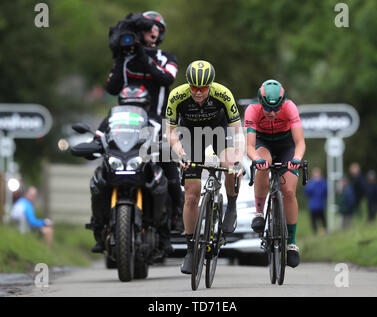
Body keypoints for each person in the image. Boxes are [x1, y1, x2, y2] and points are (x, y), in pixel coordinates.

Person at [89, 11, 182, 255]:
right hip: (126, 121)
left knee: (169, 167)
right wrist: (122, 59)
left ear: (160, 32)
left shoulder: (166, 57)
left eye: (154, 28)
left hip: (158, 120)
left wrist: (142, 56)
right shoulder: (126, 58)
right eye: (144, 28)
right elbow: (111, 87)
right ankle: (100, 225)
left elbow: (165, 79)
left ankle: (172, 224)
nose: (149, 32)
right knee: (106, 164)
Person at [165, 60, 244, 274]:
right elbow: (170, 132)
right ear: (188, 84)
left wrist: (238, 157)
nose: (198, 92)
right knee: (191, 195)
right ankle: (191, 250)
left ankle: (232, 206)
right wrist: (180, 153)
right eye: (194, 87)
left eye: (203, 88)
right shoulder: (177, 96)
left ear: (211, 85)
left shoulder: (223, 94)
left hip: (219, 135)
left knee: (230, 165)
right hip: (191, 139)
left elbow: (237, 130)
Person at [244, 79, 306, 268]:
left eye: (276, 109)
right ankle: (260, 212)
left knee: (288, 191)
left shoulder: (290, 108)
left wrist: (296, 159)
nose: (272, 113)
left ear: (282, 104)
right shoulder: (252, 110)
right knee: (264, 163)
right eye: (268, 109)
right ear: (260, 103)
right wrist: (256, 159)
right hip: (264, 144)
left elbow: (300, 143)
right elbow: (250, 146)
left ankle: (292, 243)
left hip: (287, 145)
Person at [303, 167, 327, 234]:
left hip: (321, 205)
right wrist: (314, 183)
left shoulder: (323, 182)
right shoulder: (310, 183)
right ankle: (315, 232)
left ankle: (325, 230)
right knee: (313, 220)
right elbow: (306, 192)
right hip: (312, 205)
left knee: (323, 219)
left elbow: (326, 191)